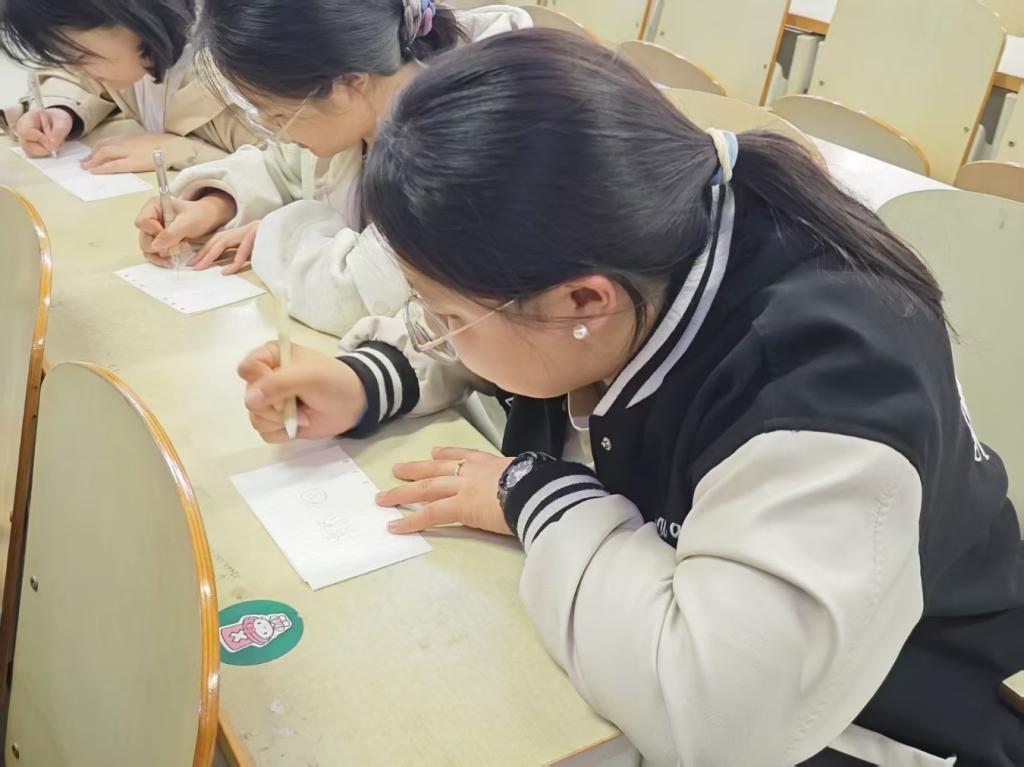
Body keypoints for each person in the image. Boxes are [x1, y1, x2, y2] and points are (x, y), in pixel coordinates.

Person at [238, 31, 1024, 766]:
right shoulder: (638, 243)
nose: (435, 332)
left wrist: (533, 494)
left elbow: (714, 715)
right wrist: (368, 378)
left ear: (585, 301)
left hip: (885, 723)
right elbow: (510, 326)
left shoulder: (825, 390)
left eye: (444, 318)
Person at [133, 0, 530, 335]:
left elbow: (354, 298)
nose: (275, 131)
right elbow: (285, 165)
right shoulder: (367, 102)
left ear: (348, 84)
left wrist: (276, 230)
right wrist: (213, 204)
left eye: (278, 115)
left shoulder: (464, 145)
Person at [0, 0, 257, 172]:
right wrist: (61, 109)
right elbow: (73, 79)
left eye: (80, 57)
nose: (75, 68)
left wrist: (183, 152)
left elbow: (280, 174)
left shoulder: (239, 79)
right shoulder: (131, 58)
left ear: (133, 18)